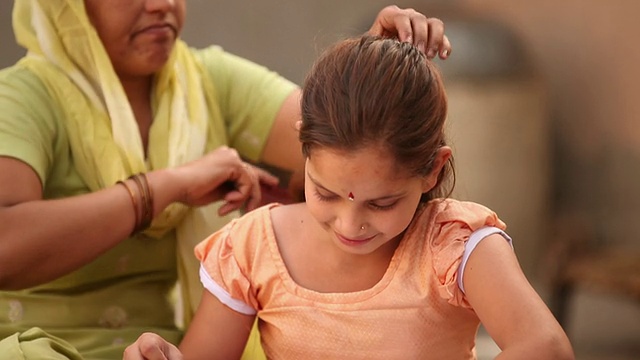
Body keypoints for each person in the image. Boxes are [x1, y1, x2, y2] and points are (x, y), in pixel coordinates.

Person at [0, 0, 452, 358]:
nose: (161, 4)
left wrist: (375, 70)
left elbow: (350, 145)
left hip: (160, 347)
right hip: (33, 345)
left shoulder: (207, 82)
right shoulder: (23, 98)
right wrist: (166, 188)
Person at [124, 35, 575, 360]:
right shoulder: (253, 249)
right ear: (304, 147)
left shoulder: (456, 246)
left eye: (380, 204)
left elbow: (546, 346)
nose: (348, 223)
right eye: (324, 192)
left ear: (432, 169)